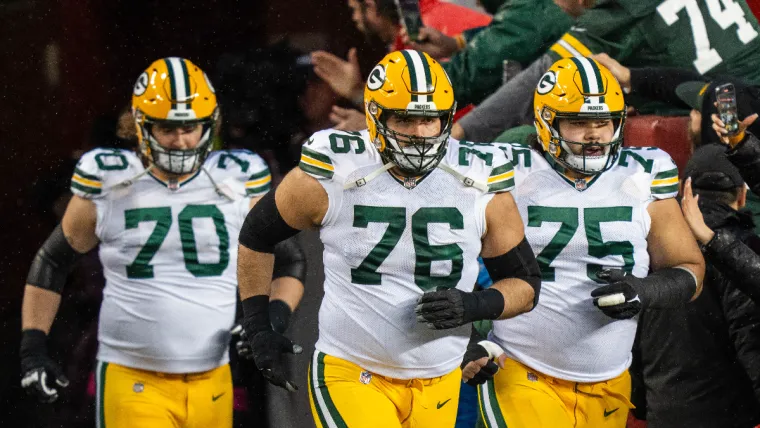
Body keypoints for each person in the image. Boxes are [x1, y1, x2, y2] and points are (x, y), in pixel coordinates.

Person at [236, 49, 542, 428]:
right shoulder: (336, 168)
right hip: (352, 369)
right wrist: (259, 325)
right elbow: (256, 235)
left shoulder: (479, 177)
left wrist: (475, 305)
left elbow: (525, 285)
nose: (418, 133)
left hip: (440, 376)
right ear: (375, 118)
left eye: (429, 119)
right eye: (405, 119)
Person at [19, 57, 306, 428]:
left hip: (213, 376)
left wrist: (272, 319)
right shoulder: (111, 180)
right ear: (140, 125)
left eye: (191, 127)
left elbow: (289, 261)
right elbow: (54, 260)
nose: (181, 140)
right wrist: (33, 347)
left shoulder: (237, 178)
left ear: (211, 123)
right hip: (132, 375)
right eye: (167, 128)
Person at [462, 57, 705, 428]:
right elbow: (435, 252)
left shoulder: (642, 173)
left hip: (609, 383)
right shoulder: (509, 170)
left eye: (603, 122)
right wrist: (463, 338)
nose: (594, 135)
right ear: (546, 122)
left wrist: (645, 290)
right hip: (522, 370)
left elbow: (690, 269)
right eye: (578, 123)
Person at [452, 0, 760, 143]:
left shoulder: (620, 13)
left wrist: (460, 133)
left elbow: (544, 78)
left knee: (520, 139)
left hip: (731, 136)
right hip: (741, 102)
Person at [628, 144, 760, 428]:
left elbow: (632, 327)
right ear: (742, 196)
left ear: (681, 188)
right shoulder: (745, 250)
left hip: (663, 409)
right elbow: (748, 335)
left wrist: (639, 400)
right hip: (729, 416)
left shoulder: (652, 243)